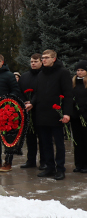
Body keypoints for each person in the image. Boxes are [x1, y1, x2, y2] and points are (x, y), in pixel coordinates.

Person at [26, 50, 72, 180]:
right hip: (42, 113)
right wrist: (32, 104)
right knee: (45, 143)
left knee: (59, 143)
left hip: (56, 113)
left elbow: (68, 94)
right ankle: (50, 167)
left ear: (54, 58)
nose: (44, 60)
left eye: (46, 58)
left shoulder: (63, 73)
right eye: (43, 58)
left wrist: (67, 113)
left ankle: (60, 169)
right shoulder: (41, 74)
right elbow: (37, 92)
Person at [18, 54, 44, 169]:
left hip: (41, 110)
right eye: (32, 61)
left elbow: (42, 91)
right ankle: (31, 160)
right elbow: (19, 91)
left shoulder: (44, 75)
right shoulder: (24, 76)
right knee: (30, 137)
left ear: (41, 62)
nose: (33, 63)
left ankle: (44, 161)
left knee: (43, 138)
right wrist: (24, 102)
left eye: (36, 61)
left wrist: (33, 102)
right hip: (27, 110)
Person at [71, 60, 87, 173]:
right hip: (76, 117)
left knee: (85, 140)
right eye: (78, 70)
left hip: (85, 116)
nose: (79, 72)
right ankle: (78, 164)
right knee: (77, 141)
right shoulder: (73, 84)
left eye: (82, 70)